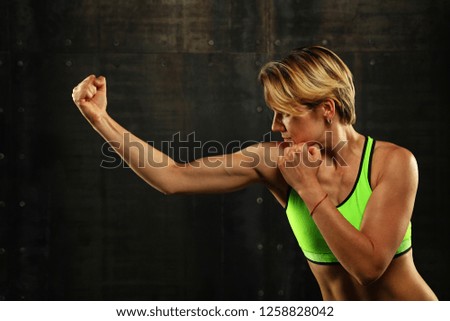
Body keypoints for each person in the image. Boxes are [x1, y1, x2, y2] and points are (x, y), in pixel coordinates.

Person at [71, 46, 437, 300]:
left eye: (285, 113)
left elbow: (368, 267)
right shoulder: (275, 162)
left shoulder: (393, 163)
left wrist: (308, 188)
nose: (276, 126)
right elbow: (173, 176)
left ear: (327, 108)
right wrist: (99, 118)